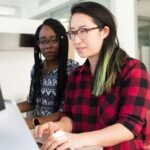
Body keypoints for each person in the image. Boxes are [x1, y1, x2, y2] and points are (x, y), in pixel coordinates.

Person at [34, 2, 150, 150]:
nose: (76, 40)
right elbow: (69, 117)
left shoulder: (133, 69)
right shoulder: (76, 75)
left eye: (83, 30)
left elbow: (129, 126)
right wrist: (58, 126)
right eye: (73, 32)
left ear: (105, 31)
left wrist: (76, 139)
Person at [18, 18, 79, 129]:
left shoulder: (73, 70)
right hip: (40, 132)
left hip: (61, 133)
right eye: (43, 41)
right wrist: (10, 108)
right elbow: (32, 102)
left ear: (62, 41)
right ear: (38, 45)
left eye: (54, 40)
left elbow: (65, 111)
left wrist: (33, 122)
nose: (48, 46)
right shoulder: (37, 69)